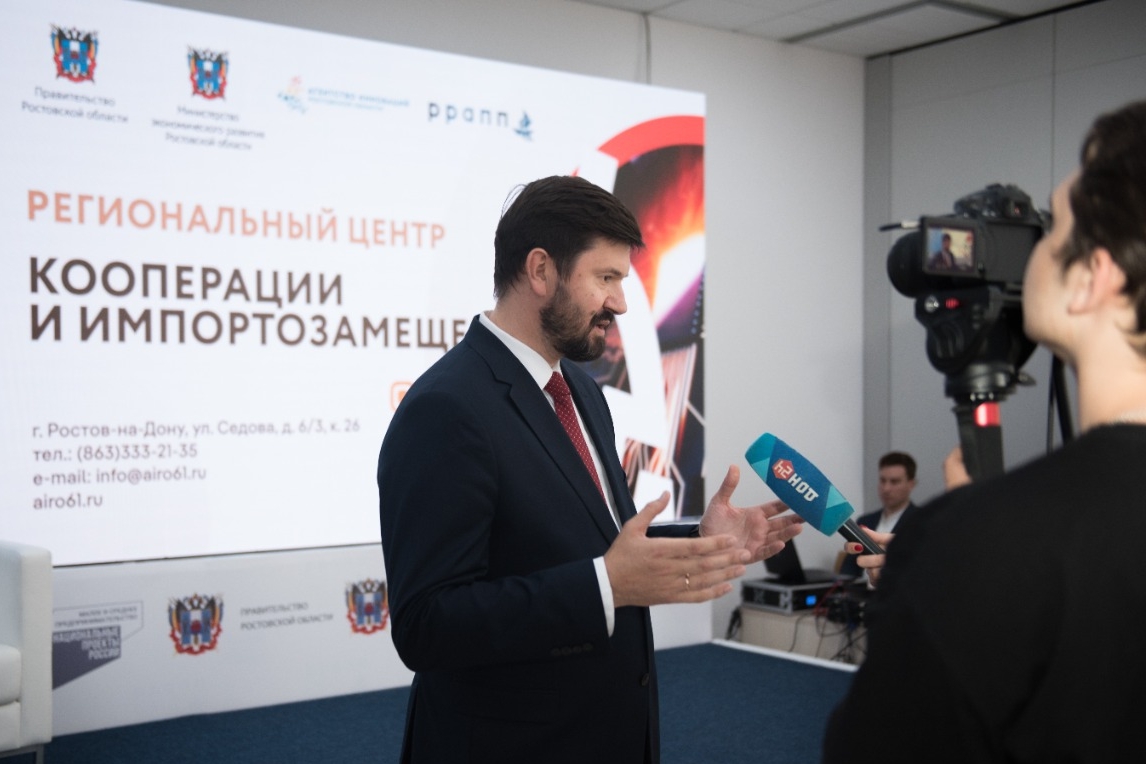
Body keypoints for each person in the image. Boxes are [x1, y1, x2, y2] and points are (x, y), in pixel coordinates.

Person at [377, 175, 803, 764]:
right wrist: (606, 587)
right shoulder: (446, 408)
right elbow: (427, 625)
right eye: (606, 278)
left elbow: (591, 545)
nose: (620, 303)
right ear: (541, 271)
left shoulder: (580, 389)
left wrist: (699, 543)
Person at [823, 100, 1146, 762]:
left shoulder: (981, 542)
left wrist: (945, 566)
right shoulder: (991, 539)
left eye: (1051, 229)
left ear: (1094, 277)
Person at [837, 451, 918, 579]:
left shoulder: (922, 522)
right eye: (882, 480)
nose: (886, 488)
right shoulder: (865, 520)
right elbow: (848, 571)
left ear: (911, 484)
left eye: (894, 482)